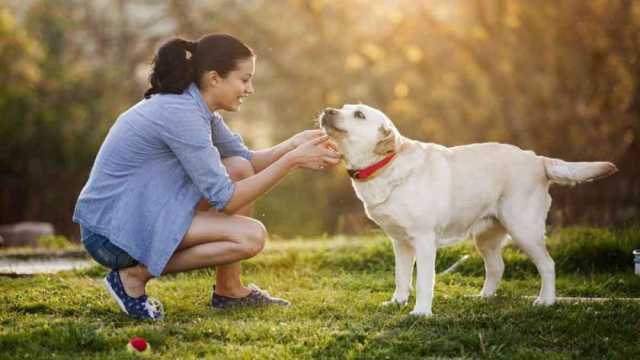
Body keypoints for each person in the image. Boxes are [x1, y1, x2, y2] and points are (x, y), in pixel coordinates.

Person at [72, 33, 341, 320]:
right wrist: (291, 161)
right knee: (250, 237)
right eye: (244, 79)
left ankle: (229, 291)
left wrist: (293, 145)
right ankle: (134, 275)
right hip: (112, 235)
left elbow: (247, 161)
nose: (250, 89)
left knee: (238, 168)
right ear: (214, 78)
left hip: (143, 214)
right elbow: (225, 199)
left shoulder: (197, 108)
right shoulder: (181, 113)